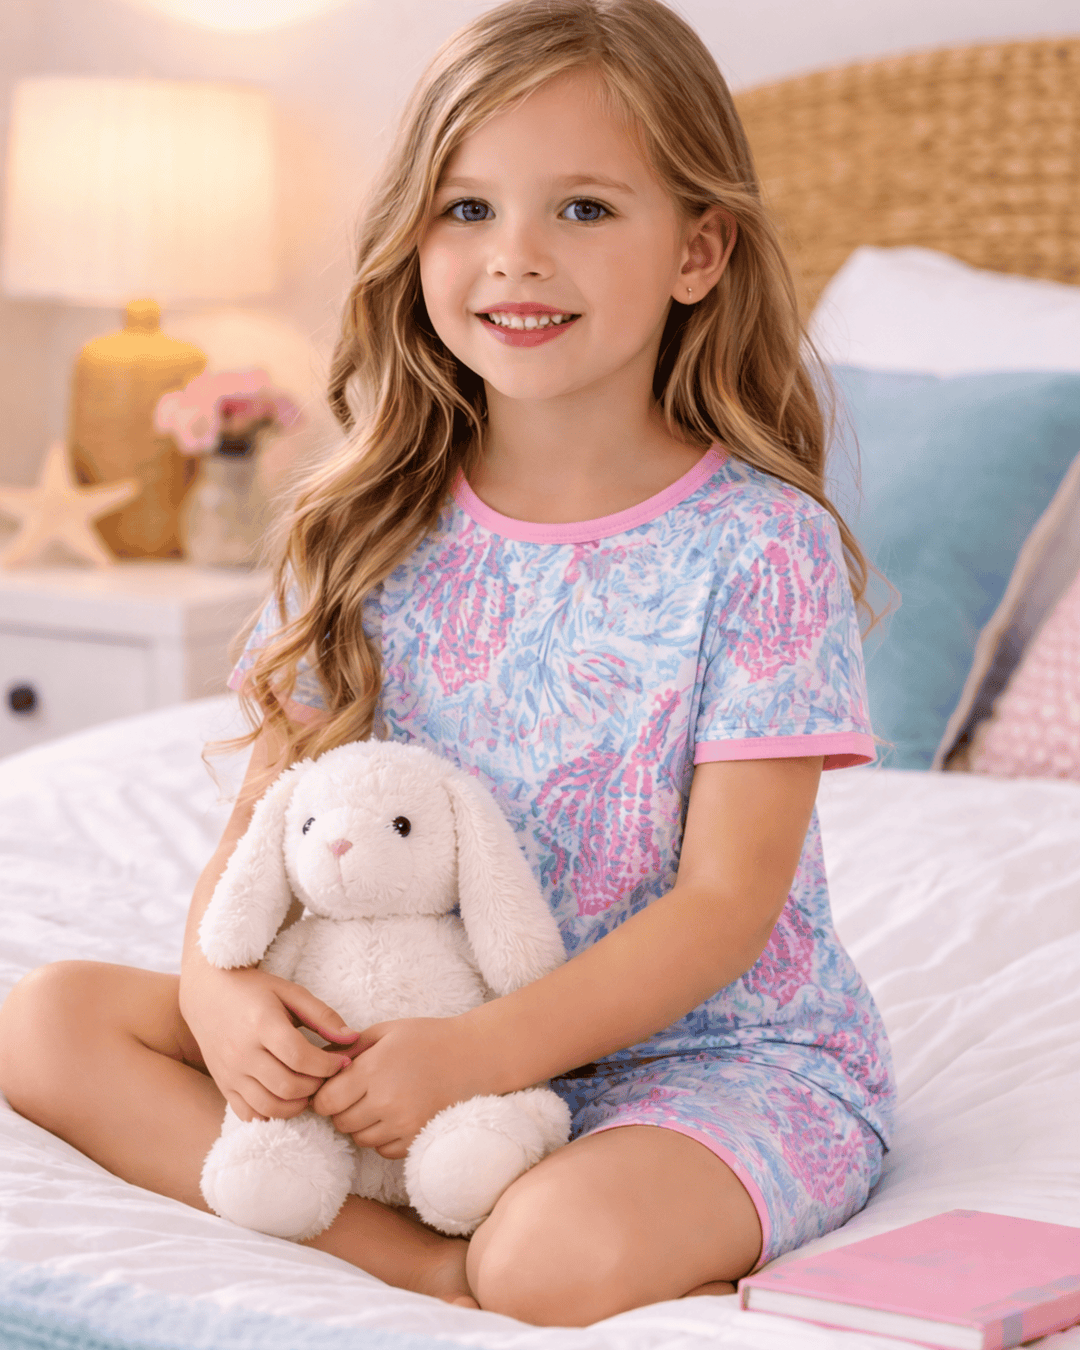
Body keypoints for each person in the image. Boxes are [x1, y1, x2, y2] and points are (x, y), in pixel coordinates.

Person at [0, 0, 895, 1327]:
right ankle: (410, 1260)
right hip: (394, 1021)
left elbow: (726, 907)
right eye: (466, 209)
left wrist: (478, 1054)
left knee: (549, 1258)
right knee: (48, 1021)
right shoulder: (356, 523)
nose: (516, 258)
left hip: (698, 1060)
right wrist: (220, 986)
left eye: (584, 210)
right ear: (414, 236)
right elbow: (264, 820)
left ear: (698, 249)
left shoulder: (761, 548)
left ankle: (475, 1247)